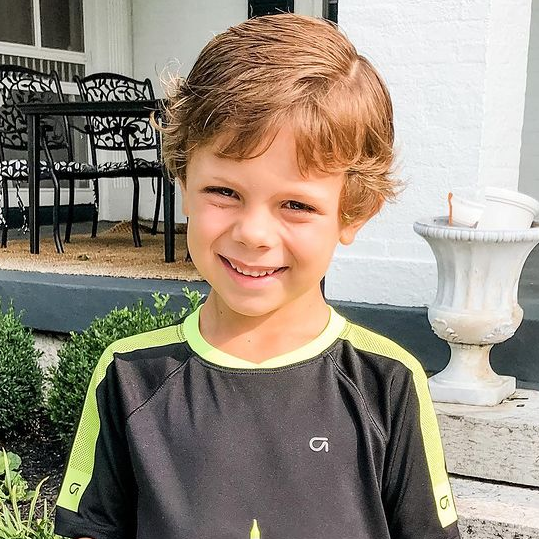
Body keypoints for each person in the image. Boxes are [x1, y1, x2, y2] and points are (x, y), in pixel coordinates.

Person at [54, 13, 460, 539]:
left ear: (353, 213)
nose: (253, 233)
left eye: (296, 204)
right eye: (224, 192)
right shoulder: (129, 376)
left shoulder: (388, 382)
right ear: (183, 182)